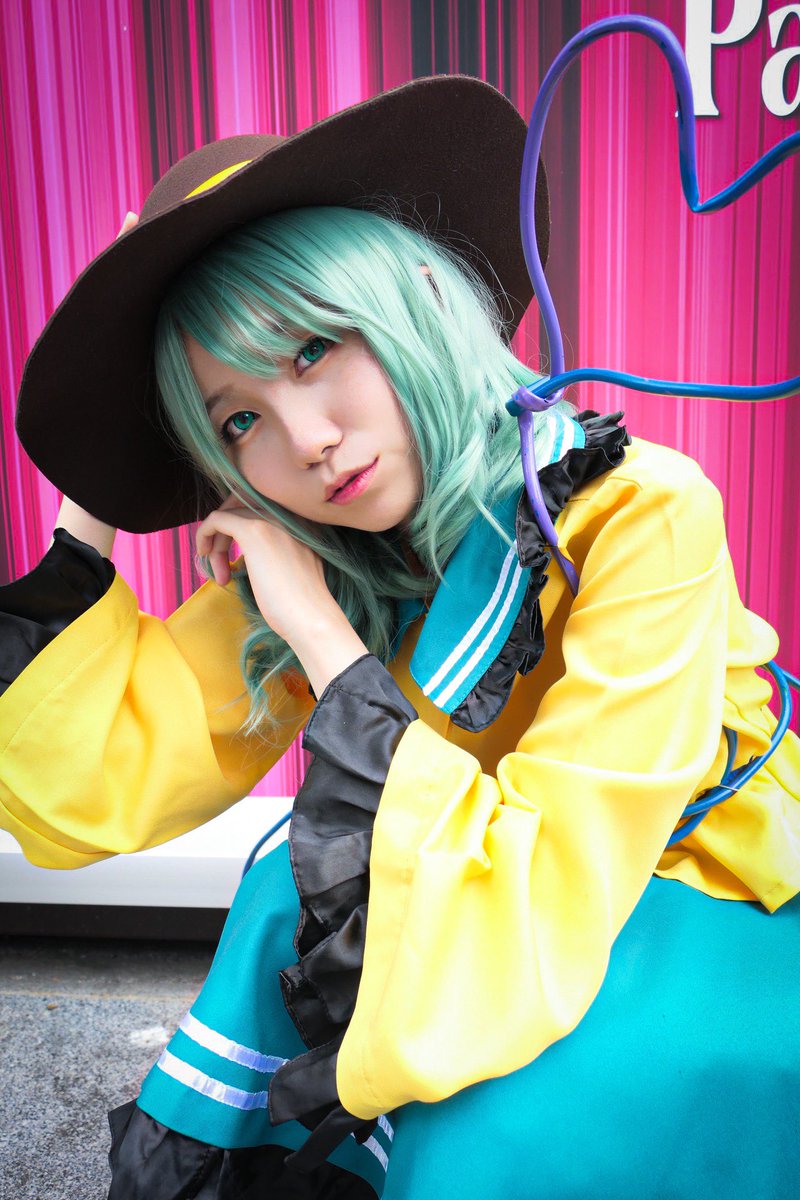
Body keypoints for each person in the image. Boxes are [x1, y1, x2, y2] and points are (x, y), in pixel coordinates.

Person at [2, 75, 799, 1200]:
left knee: (499, 1136)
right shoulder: (321, 552)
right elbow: (80, 784)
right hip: (464, 912)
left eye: (312, 349)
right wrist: (91, 508)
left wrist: (325, 642)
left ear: (417, 293)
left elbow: (555, 880)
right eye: (239, 420)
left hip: (665, 893)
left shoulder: (637, 510)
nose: (307, 440)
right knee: (289, 907)